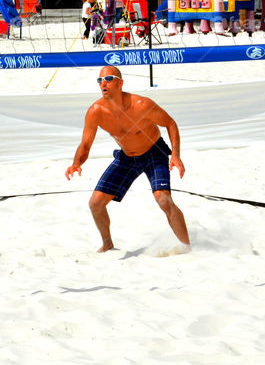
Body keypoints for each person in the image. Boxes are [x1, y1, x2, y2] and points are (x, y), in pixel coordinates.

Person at [65, 66, 189, 252]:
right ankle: (107, 244)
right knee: (95, 203)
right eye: (100, 80)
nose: (103, 83)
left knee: (163, 199)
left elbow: (170, 123)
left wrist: (176, 155)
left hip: (154, 152)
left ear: (120, 82)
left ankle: (187, 247)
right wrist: (76, 163)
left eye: (108, 79)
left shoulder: (142, 105)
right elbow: (85, 144)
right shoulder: (96, 111)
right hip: (127, 157)